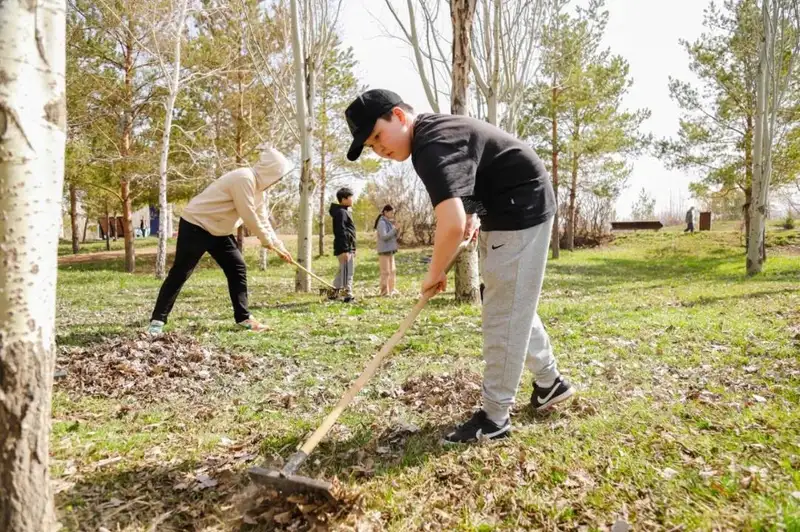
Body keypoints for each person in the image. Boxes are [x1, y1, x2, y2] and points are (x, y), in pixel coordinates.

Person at [344, 89, 575, 444]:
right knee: (508, 301)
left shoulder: (430, 147)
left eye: (377, 136)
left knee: (503, 311)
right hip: (508, 203)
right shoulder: (434, 135)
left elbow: (449, 224)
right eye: (371, 147)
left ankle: (495, 417)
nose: (380, 149)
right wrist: (473, 211)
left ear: (399, 116)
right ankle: (550, 382)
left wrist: (434, 273)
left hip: (520, 206)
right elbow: (471, 173)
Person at [147, 146, 293, 335]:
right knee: (181, 272)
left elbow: (262, 218)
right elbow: (247, 214)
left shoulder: (260, 191)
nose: (279, 180)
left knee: (237, 267)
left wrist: (279, 246)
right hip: (196, 225)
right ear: (271, 171)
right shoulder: (244, 178)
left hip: (220, 231)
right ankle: (157, 321)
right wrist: (266, 241)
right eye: (279, 175)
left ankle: (243, 317)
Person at [328, 187, 357, 303]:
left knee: (342, 271)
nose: (352, 199)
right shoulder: (341, 213)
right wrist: (345, 249)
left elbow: (350, 233)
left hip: (348, 247)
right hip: (343, 248)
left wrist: (353, 248)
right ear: (344, 199)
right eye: (350, 197)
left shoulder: (345, 212)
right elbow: (341, 232)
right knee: (347, 272)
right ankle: (347, 295)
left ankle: (333, 294)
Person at [374, 204, 399, 296]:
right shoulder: (382, 223)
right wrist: (394, 230)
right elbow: (384, 236)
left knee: (392, 270)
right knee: (385, 272)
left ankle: (392, 289)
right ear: (385, 212)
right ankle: (384, 292)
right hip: (384, 250)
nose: (392, 214)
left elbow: (393, 236)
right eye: (391, 212)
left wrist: (396, 230)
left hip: (391, 250)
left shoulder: (388, 222)